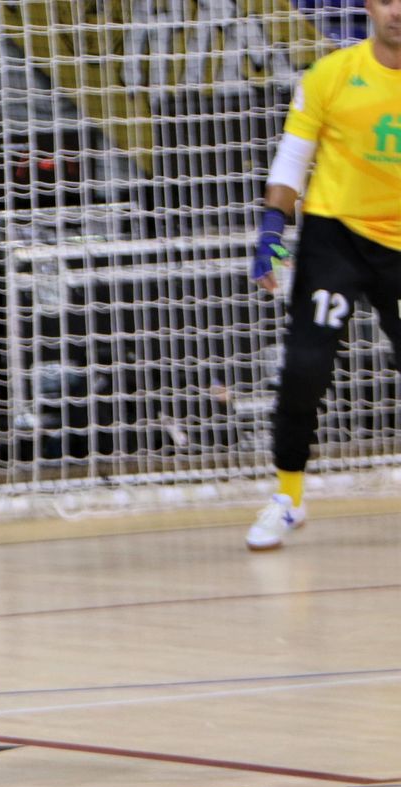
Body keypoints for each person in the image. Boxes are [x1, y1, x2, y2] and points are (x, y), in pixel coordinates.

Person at [246, 0, 401, 551]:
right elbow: (293, 158)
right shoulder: (331, 74)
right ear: (368, 7)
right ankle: (288, 498)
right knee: (305, 367)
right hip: (336, 236)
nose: (397, 10)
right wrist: (271, 233)